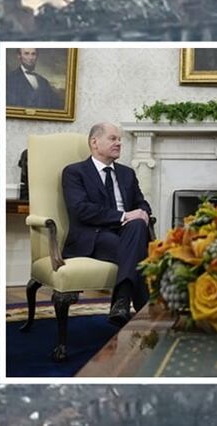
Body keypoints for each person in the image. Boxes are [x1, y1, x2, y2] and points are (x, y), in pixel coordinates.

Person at [61, 122, 152, 326]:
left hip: (127, 233)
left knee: (137, 226)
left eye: (119, 139)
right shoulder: (75, 172)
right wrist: (123, 216)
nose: (119, 143)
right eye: (113, 138)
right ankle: (144, 310)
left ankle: (122, 302)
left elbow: (141, 203)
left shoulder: (127, 173)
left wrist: (144, 213)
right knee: (138, 248)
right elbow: (81, 209)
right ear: (95, 142)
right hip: (93, 236)